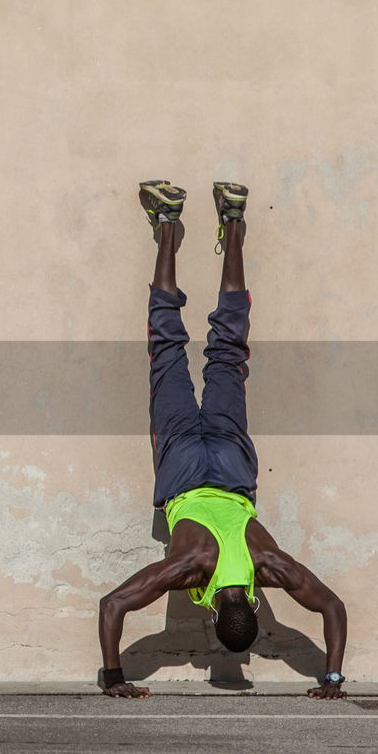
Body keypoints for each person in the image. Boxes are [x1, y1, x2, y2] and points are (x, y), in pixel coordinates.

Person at [97, 181, 348, 700]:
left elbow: (332, 609)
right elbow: (113, 606)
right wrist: (115, 678)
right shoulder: (191, 569)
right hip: (184, 471)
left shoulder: (268, 567)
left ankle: (232, 222)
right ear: (216, 609)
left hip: (231, 468)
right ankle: (167, 225)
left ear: (253, 603)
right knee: (167, 348)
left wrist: (333, 677)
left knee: (228, 348)